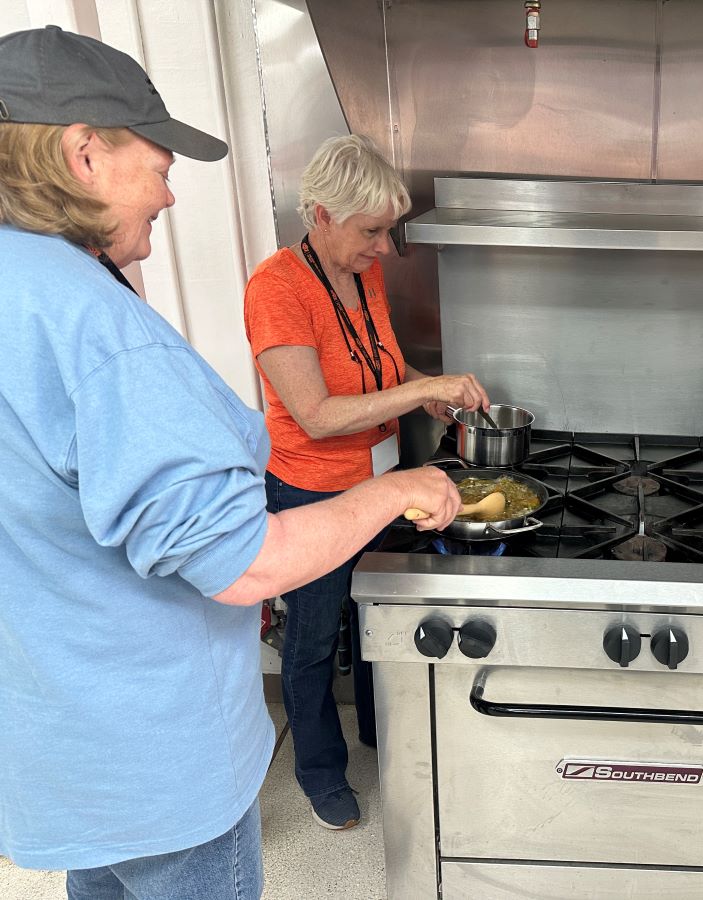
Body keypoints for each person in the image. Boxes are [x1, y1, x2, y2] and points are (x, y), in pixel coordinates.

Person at [0, 26, 461, 899]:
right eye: (163, 167)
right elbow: (243, 561)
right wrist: (400, 487)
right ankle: (324, 777)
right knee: (313, 639)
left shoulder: (26, 284)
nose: (170, 198)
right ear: (83, 153)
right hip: (153, 753)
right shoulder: (91, 326)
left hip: (67, 735)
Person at [243, 134, 489, 831]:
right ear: (321, 214)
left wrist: (424, 391)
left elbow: (382, 370)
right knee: (315, 635)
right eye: (371, 230)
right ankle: (321, 772)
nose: (383, 248)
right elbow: (317, 415)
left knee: (382, 615)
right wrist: (422, 389)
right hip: (312, 492)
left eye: (388, 231)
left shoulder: (363, 273)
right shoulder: (276, 288)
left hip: (384, 482)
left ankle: (385, 739)